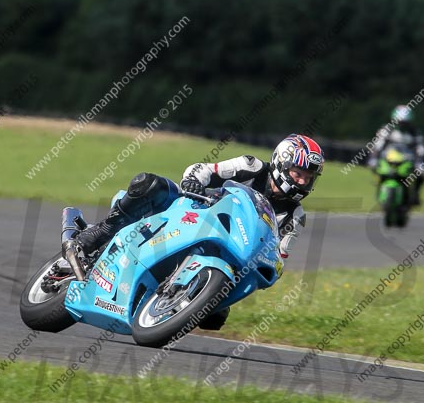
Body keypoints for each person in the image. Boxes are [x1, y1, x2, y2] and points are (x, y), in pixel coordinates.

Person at [70, 134, 324, 329]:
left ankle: (171, 296)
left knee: (214, 320)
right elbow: (202, 170)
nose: (302, 181)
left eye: (308, 177)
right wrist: (194, 182)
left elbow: (280, 254)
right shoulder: (253, 167)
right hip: (193, 209)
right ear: (281, 163)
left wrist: (271, 267)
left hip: (228, 253)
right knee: (150, 184)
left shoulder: (295, 216)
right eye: (297, 173)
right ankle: (100, 233)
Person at [369, 105, 424, 205]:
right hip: (388, 159)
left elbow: (421, 149)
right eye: (399, 122)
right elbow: (377, 145)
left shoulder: (415, 133)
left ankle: (416, 194)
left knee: (421, 173)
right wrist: (373, 158)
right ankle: (380, 187)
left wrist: (419, 162)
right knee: (375, 168)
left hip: (407, 160)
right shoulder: (386, 130)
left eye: (404, 123)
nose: (401, 125)